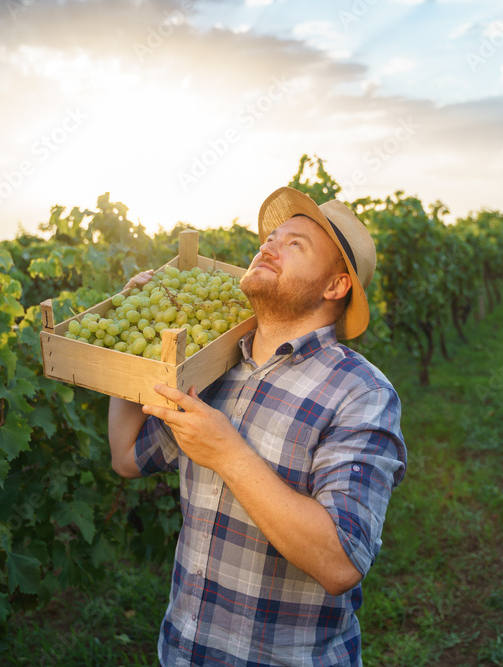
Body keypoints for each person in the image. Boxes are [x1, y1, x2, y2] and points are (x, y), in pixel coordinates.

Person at [107, 186, 407, 666]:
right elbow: (126, 456)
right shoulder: (214, 368)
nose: (268, 246)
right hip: (184, 653)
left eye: (296, 245)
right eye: (271, 238)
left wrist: (227, 453)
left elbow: (340, 562)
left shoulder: (360, 393)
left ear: (335, 287)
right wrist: (130, 352)